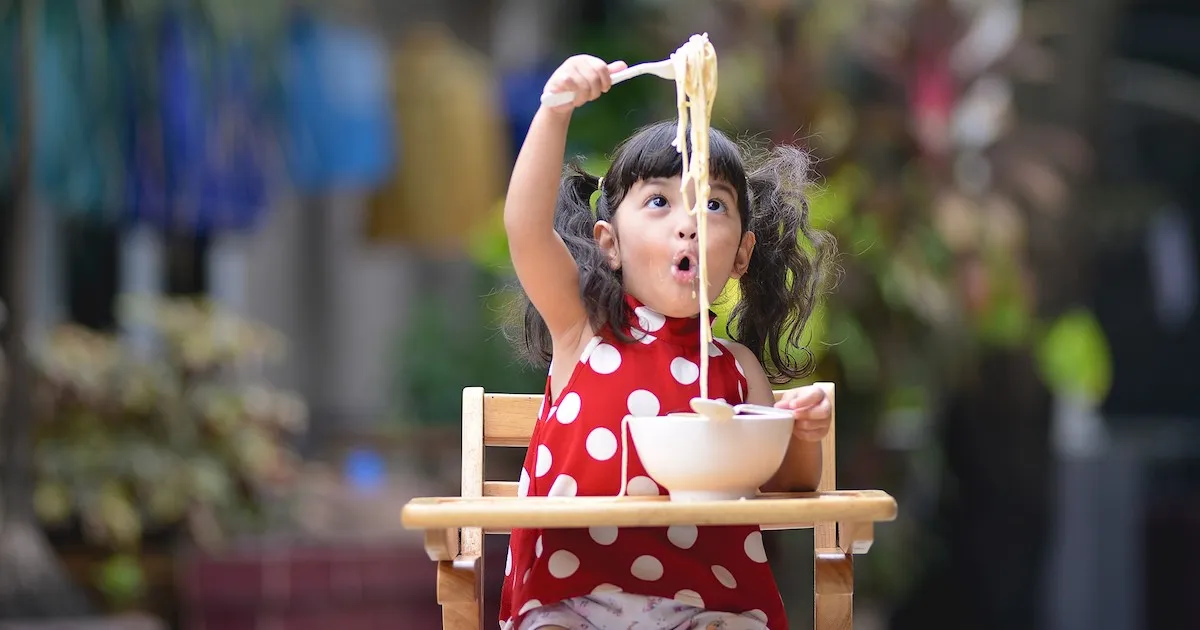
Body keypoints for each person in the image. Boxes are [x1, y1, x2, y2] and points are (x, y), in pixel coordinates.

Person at [500, 54, 837, 630]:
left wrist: (803, 434)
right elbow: (526, 230)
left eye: (713, 204)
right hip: (573, 599)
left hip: (710, 604)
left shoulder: (735, 368)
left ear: (740, 255)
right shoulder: (581, 330)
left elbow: (786, 486)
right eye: (659, 201)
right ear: (609, 243)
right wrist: (554, 110)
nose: (689, 223)